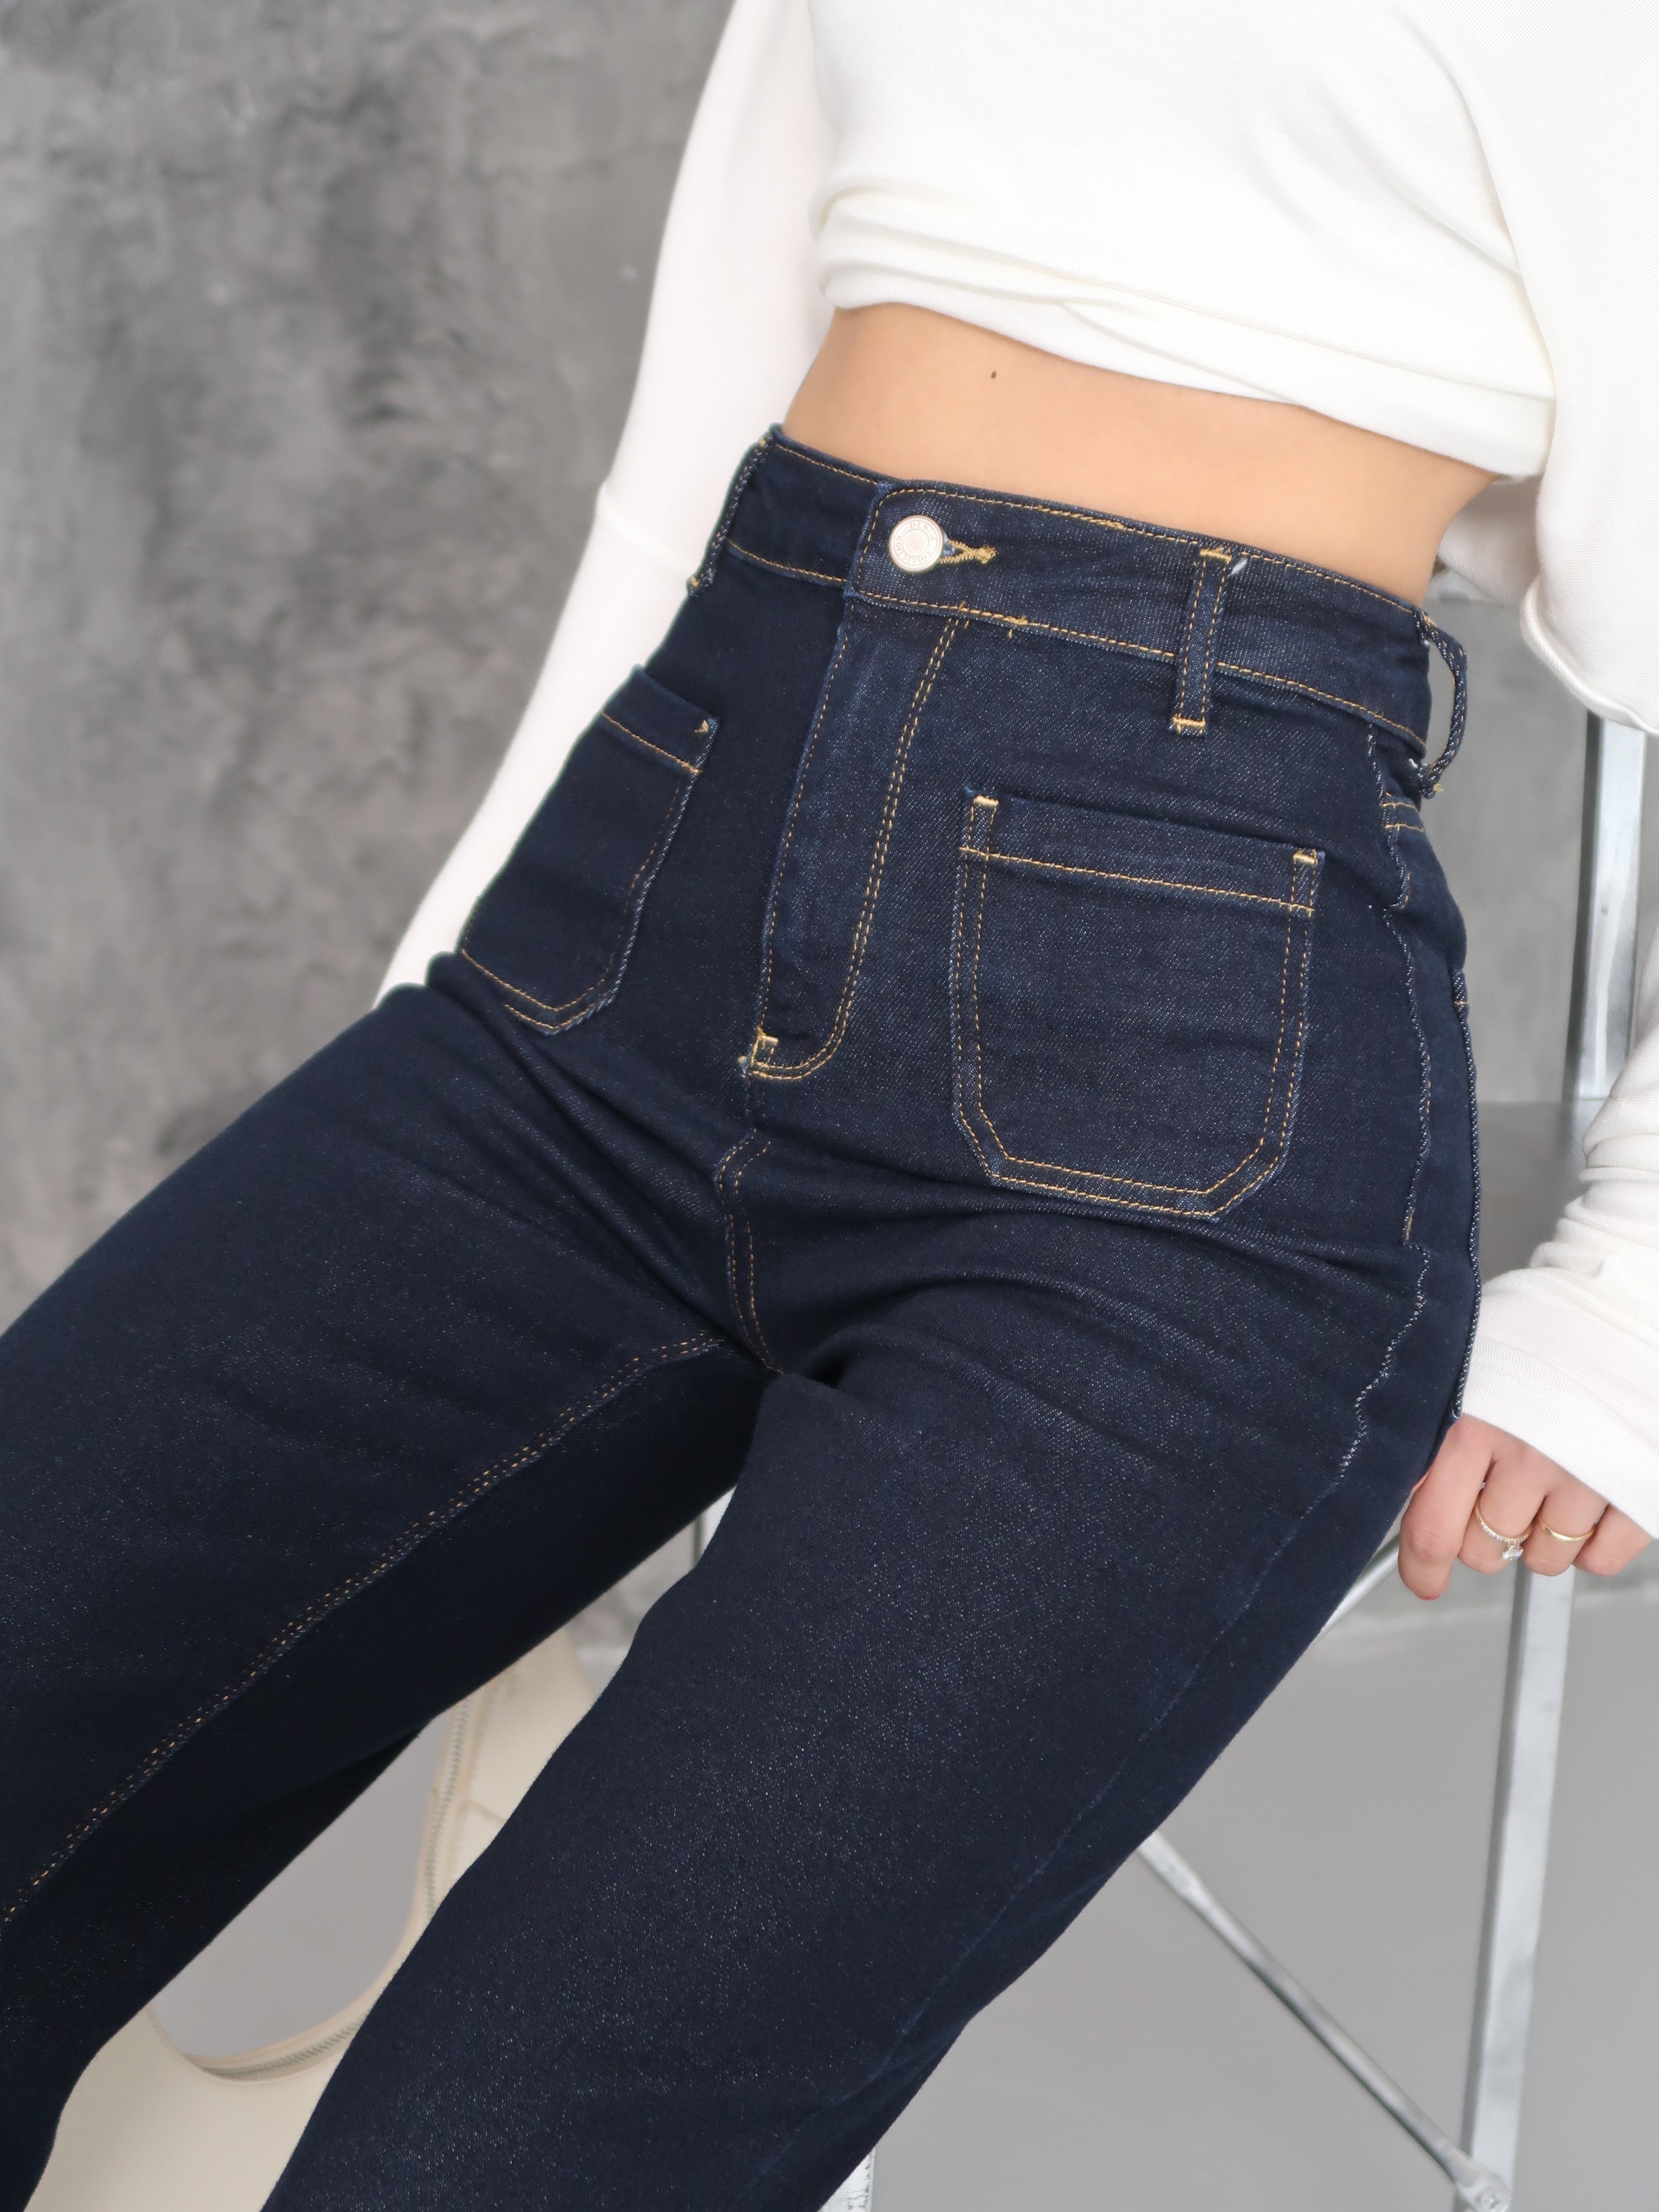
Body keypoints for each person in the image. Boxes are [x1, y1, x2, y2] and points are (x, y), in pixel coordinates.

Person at [4, 1, 1656, 2205]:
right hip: (634, 907)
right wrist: (462, 993)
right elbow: (697, 441)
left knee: (493, 2162)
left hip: (1175, 1098)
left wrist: (1633, 1303)